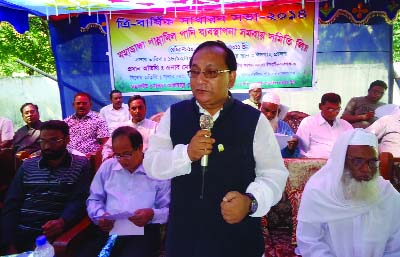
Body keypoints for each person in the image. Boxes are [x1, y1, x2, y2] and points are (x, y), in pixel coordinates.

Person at [143, 40, 288, 257]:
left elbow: (274, 175)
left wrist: (250, 201)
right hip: (186, 238)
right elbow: (152, 165)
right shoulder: (174, 115)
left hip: (237, 238)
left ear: (231, 77)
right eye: (194, 72)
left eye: (210, 72)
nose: (200, 80)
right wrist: (186, 154)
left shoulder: (253, 120)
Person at [296, 129, 400, 257]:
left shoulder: (387, 193)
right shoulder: (318, 190)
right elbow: (309, 241)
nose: (366, 170)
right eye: (357, 161)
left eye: (372, 162)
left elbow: (396, 241)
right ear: (341, 161)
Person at [1, 120, 91, 253]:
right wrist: (8, 242)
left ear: (67, 140)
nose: (47, 146)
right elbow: (12, 203)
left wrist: (63, 221)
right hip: (20, 232)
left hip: (53, 235)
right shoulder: (28, 166)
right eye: (42, 141)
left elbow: (79, 200)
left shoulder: (80, 165)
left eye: (54, 140)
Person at [81, 126, 170, 257]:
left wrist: (151, 214)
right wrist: (100, 216)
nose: (122, 160)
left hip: (143, 230)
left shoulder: (157, 170)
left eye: (127, 154)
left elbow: (169, 209)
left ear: (140, 148)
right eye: (118, 155)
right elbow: (94, 198)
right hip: (110, 227)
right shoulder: (108, 167)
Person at [296, 92, 353, 158]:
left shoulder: (345, 125)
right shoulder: (308, 123)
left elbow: (353, 146)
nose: (334, 113)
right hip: (314, 164)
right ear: (320, 106)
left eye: (337, 109)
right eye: (330, 109)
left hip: (341, 163)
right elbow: (300, 148)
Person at [102, 95, 157, 160]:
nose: (137, 111)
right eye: (134, 108)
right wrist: (106, 158)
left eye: (140, 107)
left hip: (147, 163)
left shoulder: (155, 126)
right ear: (129, 110)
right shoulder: (122, 128)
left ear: (145, 108)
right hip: (123, 163)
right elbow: (108, 147)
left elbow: (161, 148)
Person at [64, 92, 110, 156]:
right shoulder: (67, 122)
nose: (81, 106)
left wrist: (94, 154)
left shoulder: (99, 120)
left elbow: (106, 143)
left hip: (90, 158)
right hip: (69, 157)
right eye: (78, 103)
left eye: (84, 103)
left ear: (90, 104)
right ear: (73, 105)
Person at [259, 92, 299, 158]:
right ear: (260, 106)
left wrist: (291, 149)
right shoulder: (251, 123)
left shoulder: (284, 127)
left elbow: (296, 153)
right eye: (266, 110)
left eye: (273, 112)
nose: (269, 115)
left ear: (278, 112)